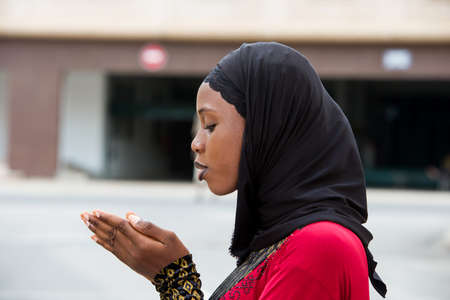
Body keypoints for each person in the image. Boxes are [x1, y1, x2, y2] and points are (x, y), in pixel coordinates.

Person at [81, 42, 387, 299]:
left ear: (267, 129)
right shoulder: (289, 236)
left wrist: (176, 281)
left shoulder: (318, 248)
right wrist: (171, 278)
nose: (196, 144)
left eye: (211, 125)